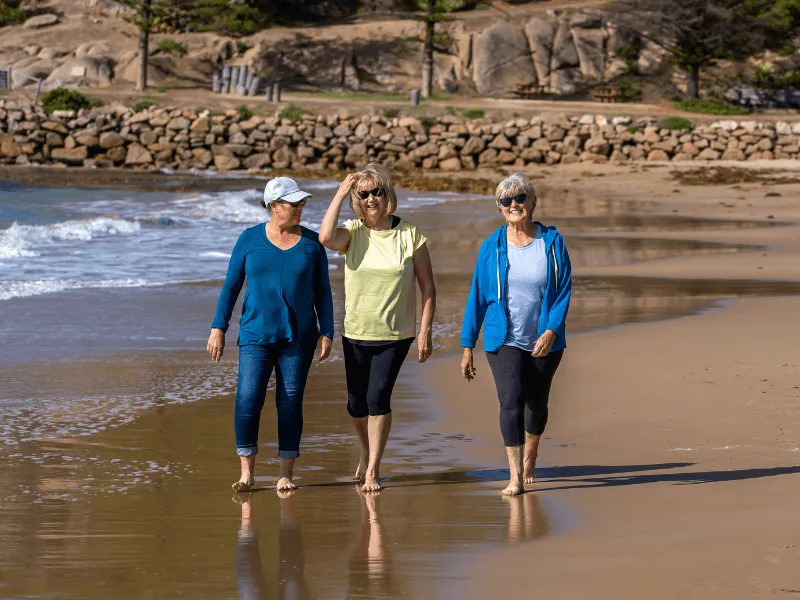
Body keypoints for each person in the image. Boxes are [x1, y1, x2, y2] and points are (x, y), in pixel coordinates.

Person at [207, 177, 334, 493]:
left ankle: (285, 473)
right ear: (274, 206)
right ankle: (247, 472)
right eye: (294, 204)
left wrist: (328, 331)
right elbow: (231, 286)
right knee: (247, 399)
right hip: (255, 335)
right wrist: (218, 327)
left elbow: (324, 292)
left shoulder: (312, 243)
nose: (300, 208)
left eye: (302, 203)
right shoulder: (249, 239)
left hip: (299, 338)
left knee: (290, 402)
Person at [319, 164, 436, 493]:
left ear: (388, 194)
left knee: (377, 398)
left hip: (395, 335)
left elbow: (428, 288)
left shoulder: (409, 234)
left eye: (377, 192)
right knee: (356, 404)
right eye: (364, 194)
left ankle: (373, 470)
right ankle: (366, 449)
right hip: (356, 331)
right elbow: (325, 237)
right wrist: (340, 193)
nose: (371, 199)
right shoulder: (352, 232)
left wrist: (425, 332)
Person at [460, 173, 572, 496]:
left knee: (535, 406)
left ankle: (531, 455)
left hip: (544, 339)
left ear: (532, 202)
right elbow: (477, 297)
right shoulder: (490, 247)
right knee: (510, 402)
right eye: (506, 201)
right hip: (503, 338)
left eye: (520, 198)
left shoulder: (551, 242)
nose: (513, 205)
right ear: (499, 208)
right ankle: (515, 476)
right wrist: (467, 345)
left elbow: (563, 290)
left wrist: (551, 330)